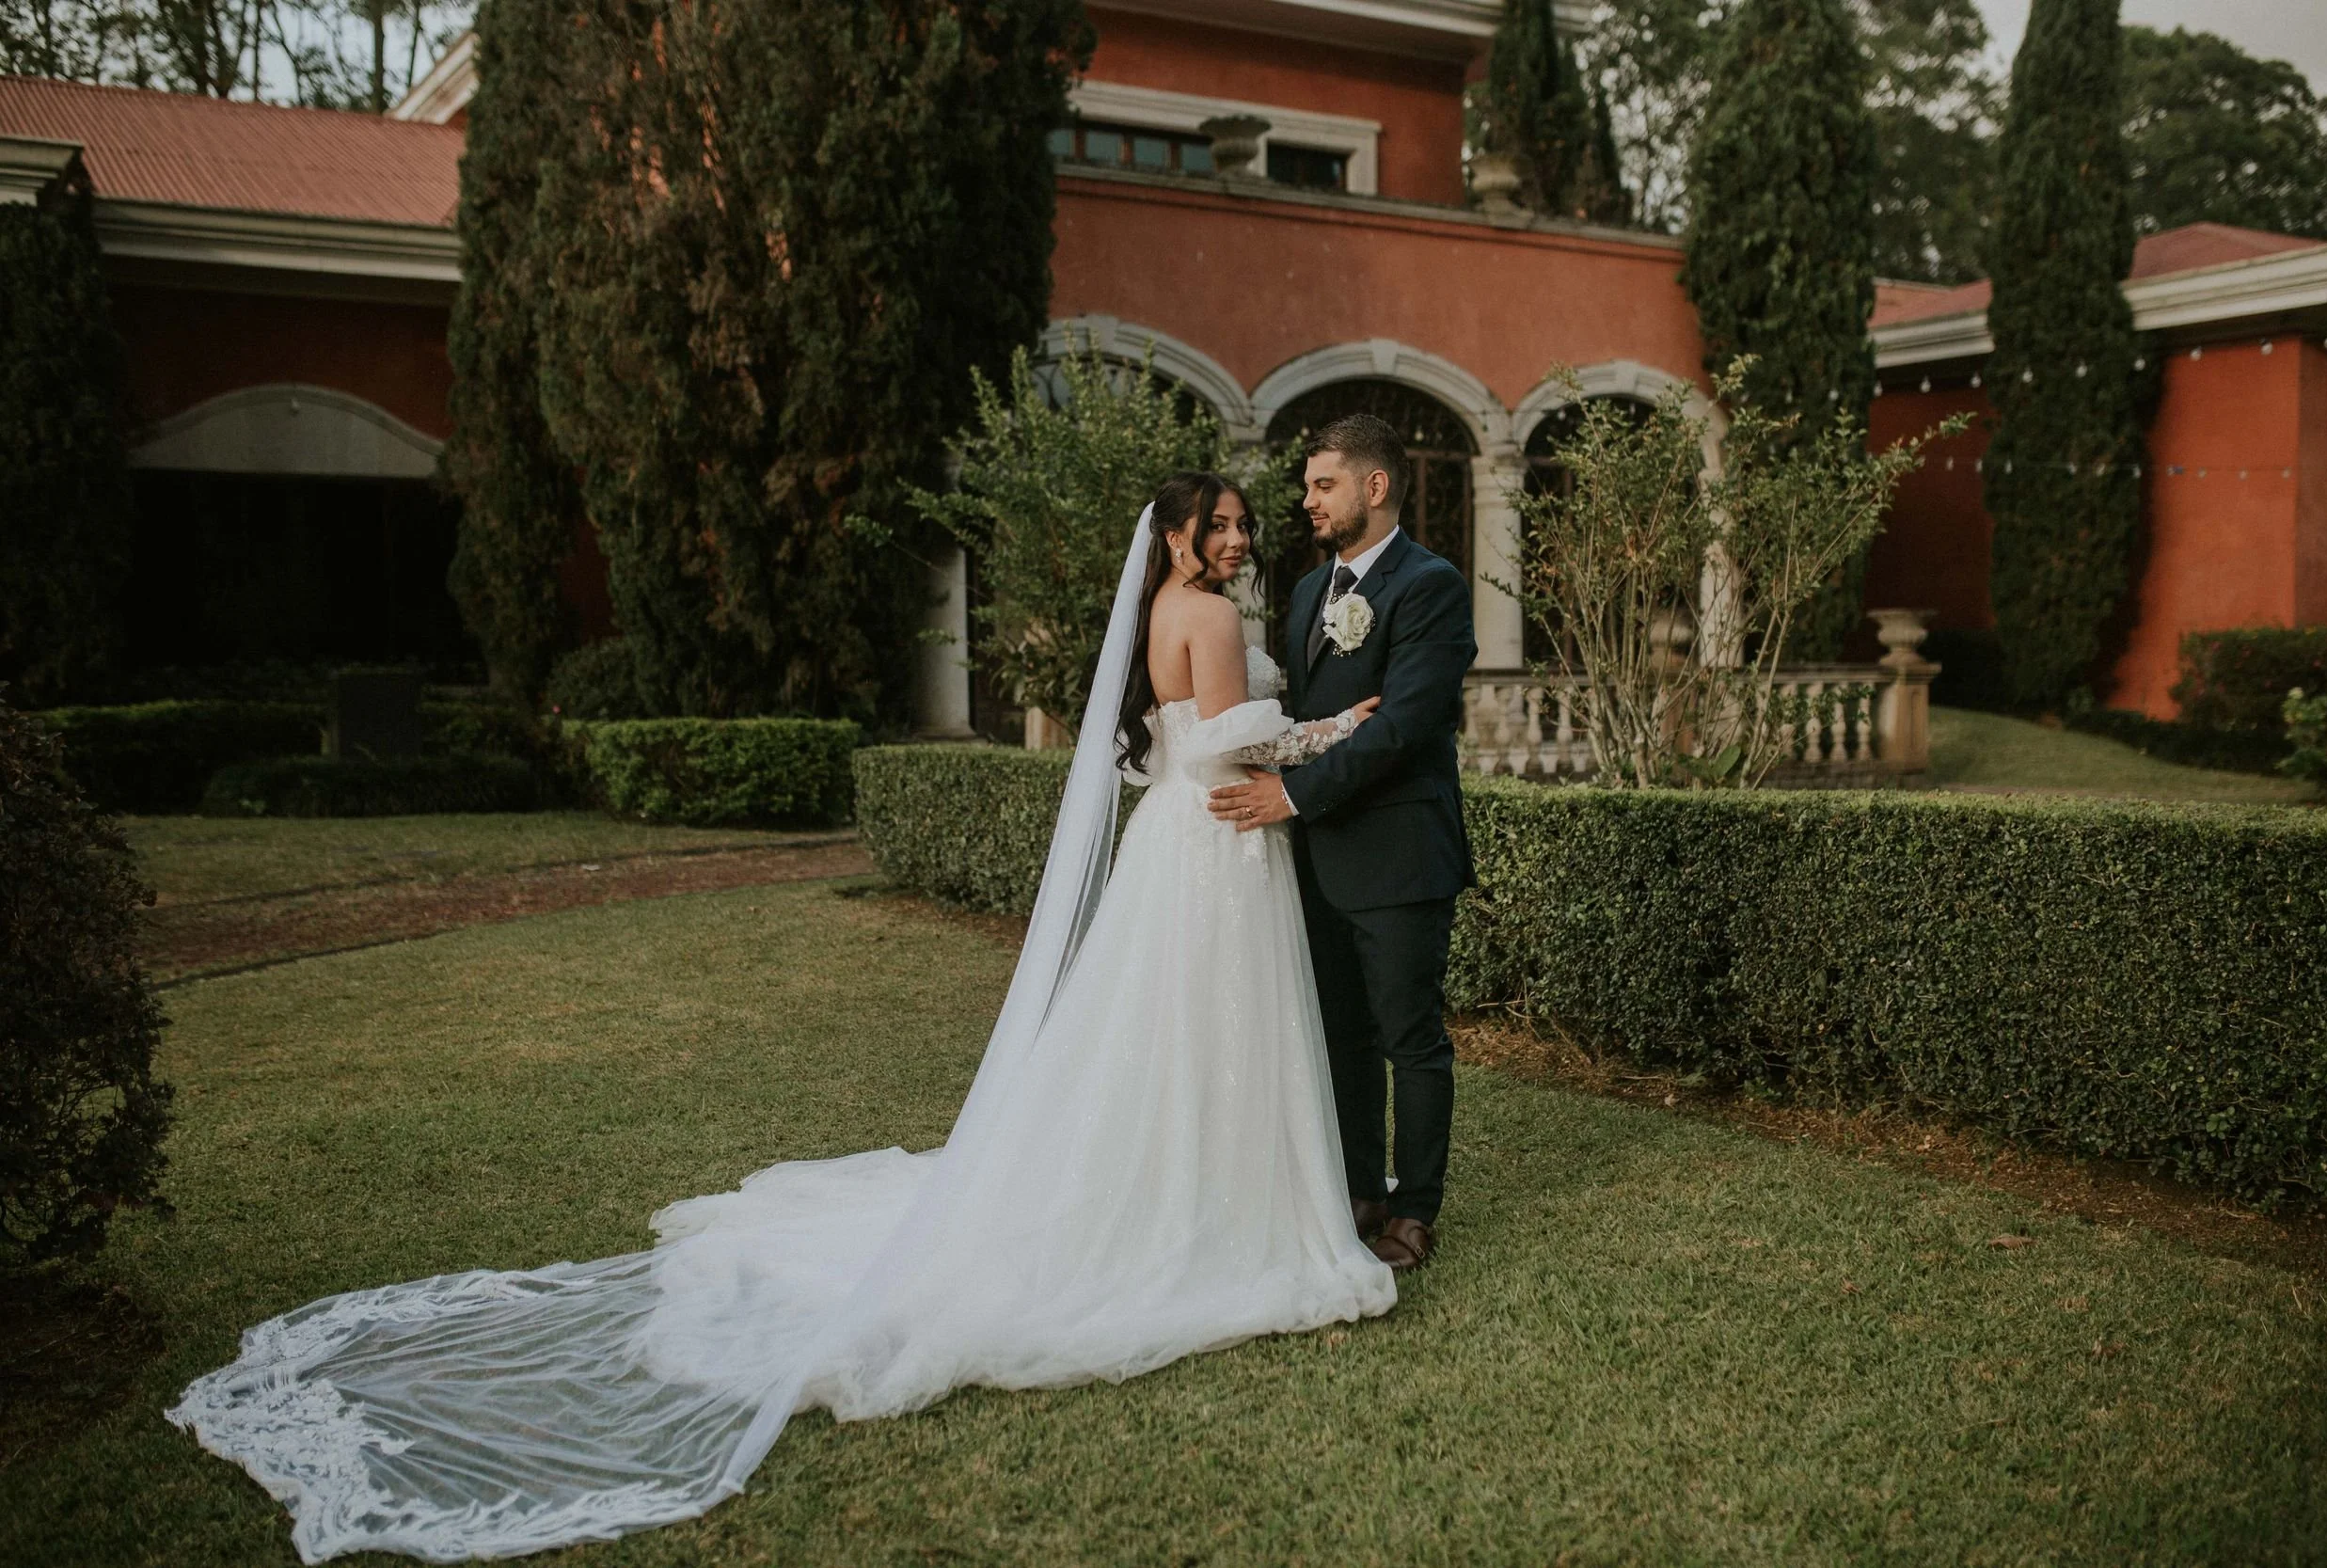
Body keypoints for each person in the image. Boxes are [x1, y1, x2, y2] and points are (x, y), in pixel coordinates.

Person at [167, 471, 1397, 1563]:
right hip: (1221, 849)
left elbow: (1165, 747)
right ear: (1177, 537)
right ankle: (1214, 1205)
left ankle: (1177, 1178)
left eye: (1241, 522)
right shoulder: (1213, 615)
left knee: (1163, 1042)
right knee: (1206, 1036)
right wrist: (1341, 726)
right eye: (1218, 522)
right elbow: (1235, 746)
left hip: (1174, 850)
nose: (1237, 538)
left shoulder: (1153, 620)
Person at [1208, 414, 1480, 1275]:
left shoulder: (1430, 585)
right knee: (1342, 1037)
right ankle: (1360, 1189)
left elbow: (1403, 726)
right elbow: (1300, 719)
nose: (1307, 500)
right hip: (1317, 859)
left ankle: (1416, 1211)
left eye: (1323, 484)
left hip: (1399, 858)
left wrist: (1288, 792)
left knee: (1411, 1038)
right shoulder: (1304, 594)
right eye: (1308, 486)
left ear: (1374, 486)